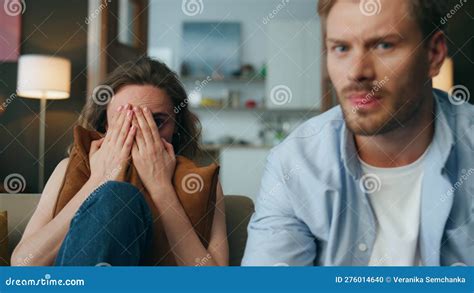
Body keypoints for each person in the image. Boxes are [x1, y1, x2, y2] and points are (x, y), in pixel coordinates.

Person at [242, 0, 473, 266]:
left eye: (384, 45)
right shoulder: (295, 163)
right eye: (341, 48)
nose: (357, 72)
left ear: (433, 54)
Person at [11, 57, 228, 266]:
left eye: (157, 122)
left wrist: (161, 188)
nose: (140, 133)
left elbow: (217, 284)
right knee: (118, 196)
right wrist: (98, 180)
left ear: (177, 127)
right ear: (105, 125)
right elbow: (23, 265)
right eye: (126, 121)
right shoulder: (68, 169)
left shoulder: (201, 181)